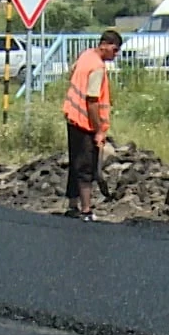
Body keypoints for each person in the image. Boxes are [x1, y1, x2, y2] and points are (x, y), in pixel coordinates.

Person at [61, 29, 123, 221]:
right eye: (114, 49)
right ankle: (86, 210)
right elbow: (93, 101)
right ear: (104, 45)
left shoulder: (86, 55)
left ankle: (73, 204)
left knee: (75, 162)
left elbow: (73, 72)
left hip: (72, 117)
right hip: (86, 123)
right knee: (86, 167)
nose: (116, 54)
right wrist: (98, 131)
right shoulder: (97, 67)